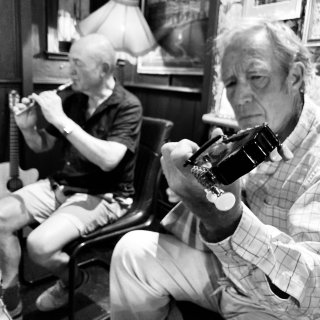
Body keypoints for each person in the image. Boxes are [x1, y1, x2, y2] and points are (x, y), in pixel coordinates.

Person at [109, 18, 320, 320]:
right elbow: (215, 212)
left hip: (281, 309)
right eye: (231, 83)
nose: (240, 97)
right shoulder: (257, 132)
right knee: (132, 251)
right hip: (228, 274)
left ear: (296, 77)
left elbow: (314, 293)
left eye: (256, 76)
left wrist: (225, 219)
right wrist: (197, 180)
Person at [0, 33, 142, 319]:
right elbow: (42, 145)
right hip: (61, 185)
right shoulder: (74, 99)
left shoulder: (127, 106)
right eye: (68, 62)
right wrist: (27, 127)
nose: (69, 70)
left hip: (104, 195)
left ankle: (73, 280)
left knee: (38, 247)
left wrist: (61, 120)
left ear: (103, 69)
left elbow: (108, 160)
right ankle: (10, 290)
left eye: (77, 63)